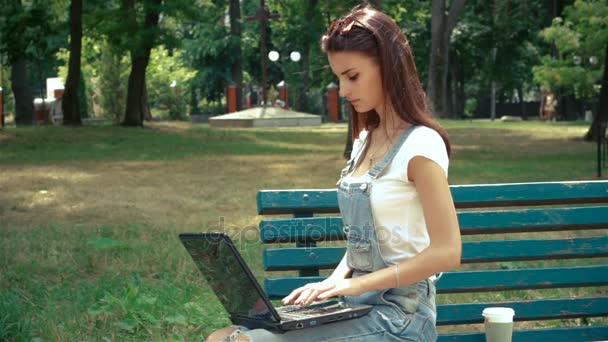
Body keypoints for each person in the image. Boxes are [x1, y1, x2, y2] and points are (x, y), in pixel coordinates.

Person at [206, 4, 461, 342]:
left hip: (403, 319)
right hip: (358, 308)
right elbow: (364, 244)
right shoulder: (364, 141)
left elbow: (447, 251)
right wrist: (332, 282)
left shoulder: (421, 145)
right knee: (223, 335)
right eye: (339, 77)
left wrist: (353, 284)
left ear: (389, 66)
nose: (343, 90)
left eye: (352, 76)